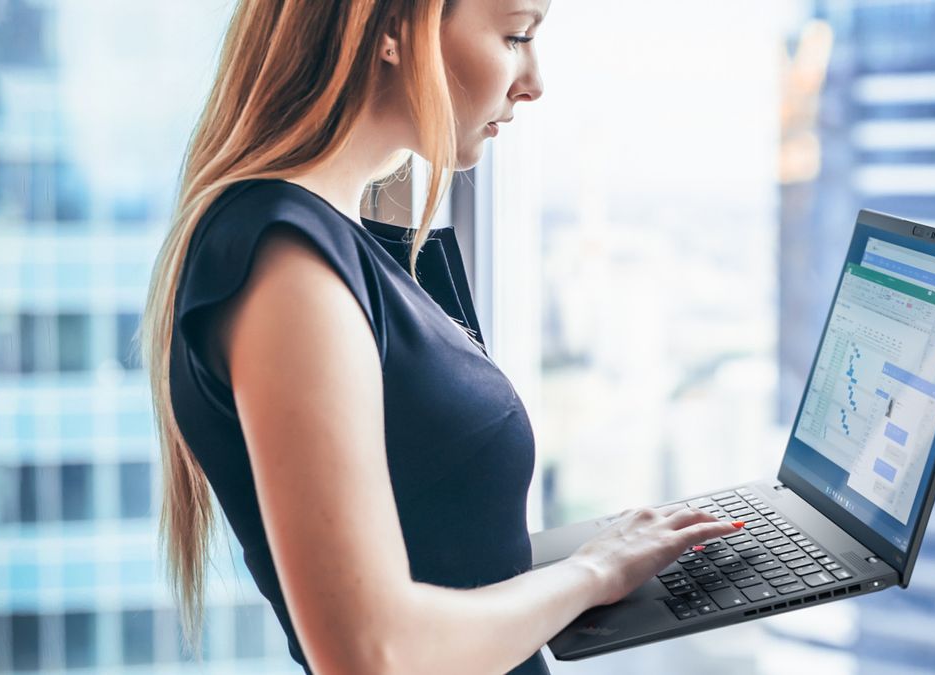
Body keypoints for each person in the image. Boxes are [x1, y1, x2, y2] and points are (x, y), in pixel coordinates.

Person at [141, 0, 740, 672]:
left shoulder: (329, 240)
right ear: (395, 28)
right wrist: (595, 572)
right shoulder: (288, 265)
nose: (532, 80)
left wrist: (595, 561)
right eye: (515, 36)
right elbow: (375, 652)